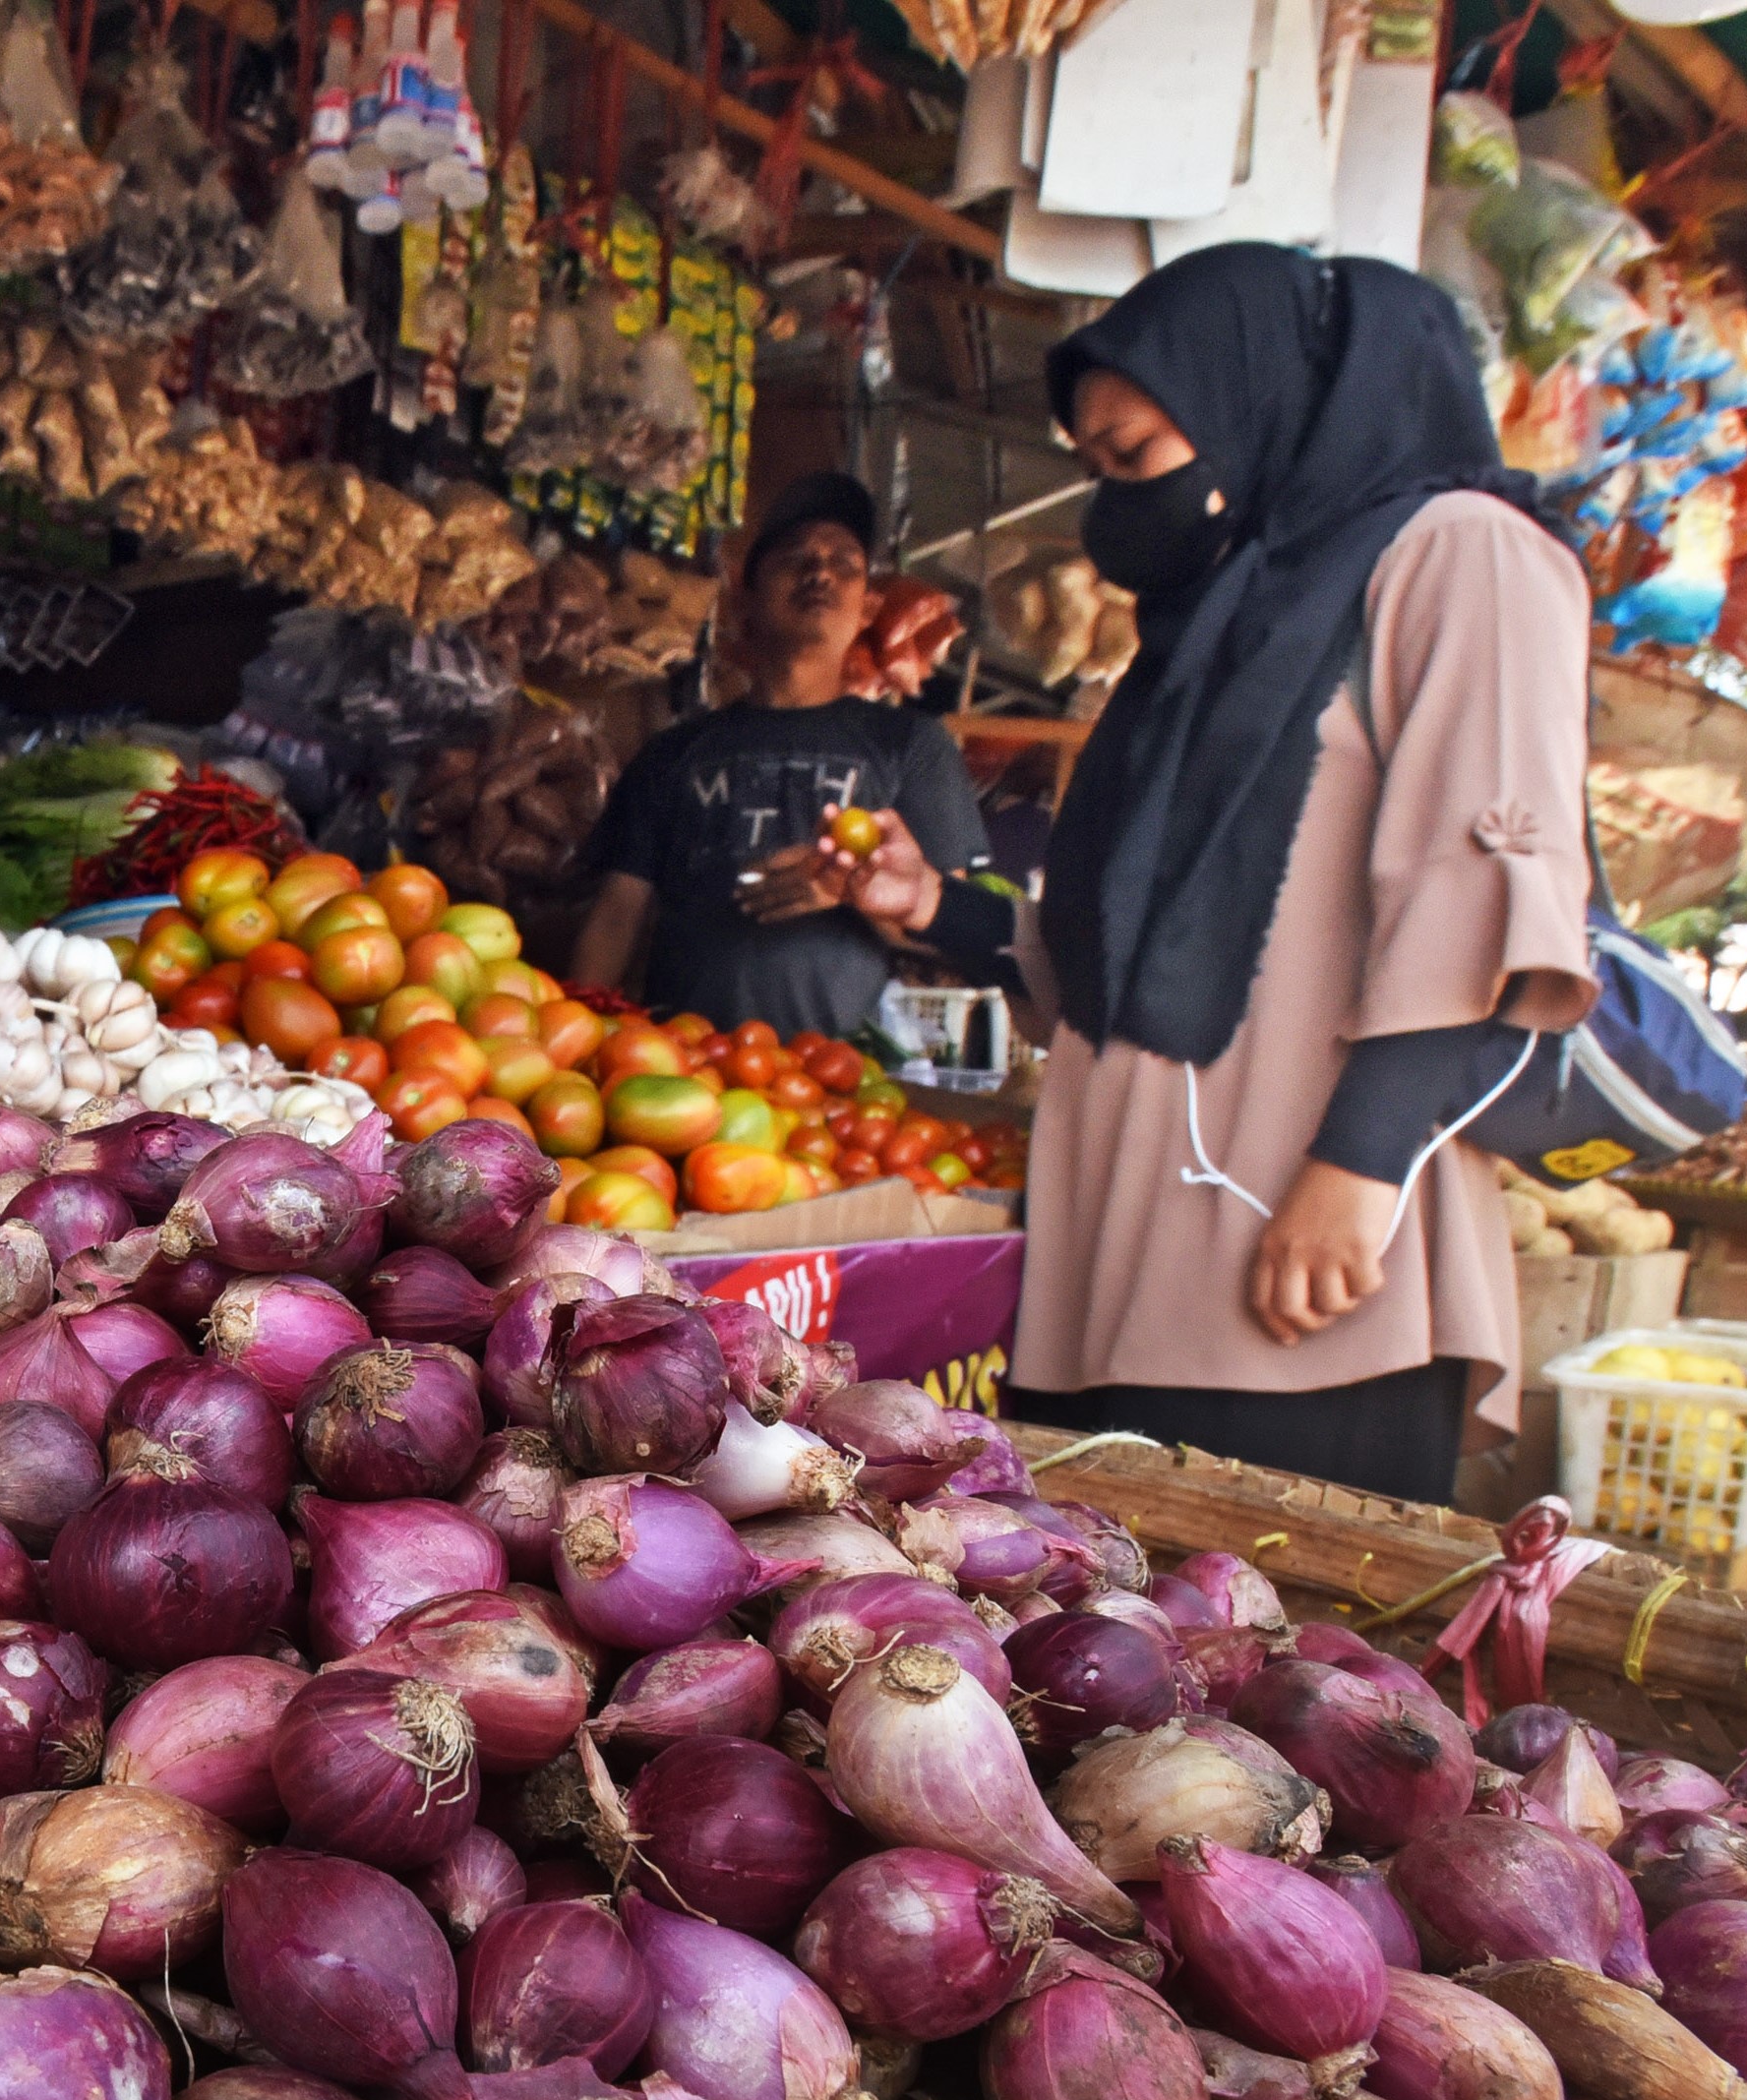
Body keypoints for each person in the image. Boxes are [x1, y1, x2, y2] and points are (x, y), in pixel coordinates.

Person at [813, 245, 1595, 1505]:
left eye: (1136, 457)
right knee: (1106, 1666)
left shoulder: (1461, 557)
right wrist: (940, 910)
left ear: (1257, 406)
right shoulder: (1220, 627)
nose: (1116, 500)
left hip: (1301, 1261)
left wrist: (1360, 1168)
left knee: (1285, 1671)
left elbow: (1490, 893)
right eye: (1098, 465)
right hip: (1121, 1251)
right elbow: (1129, 938)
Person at [563, 468, 1008, 1038]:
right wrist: (576, 1039)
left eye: (844, 562)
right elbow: (617, 915)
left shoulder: (911, 747)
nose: (819, 571)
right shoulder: (672, 752)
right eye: (793, 558)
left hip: (838, 1089)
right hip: (677, 1071)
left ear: (867, 607)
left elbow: (951, 930)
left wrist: (850, 892)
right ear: (746, 599)